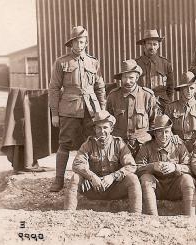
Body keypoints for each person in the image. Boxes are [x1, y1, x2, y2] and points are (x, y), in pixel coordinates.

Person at [48, 26, 106, 192]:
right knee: (65, 144)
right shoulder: (62, 62)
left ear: (86, 43)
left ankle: (90, 179)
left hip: (91, 110)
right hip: (69, 109)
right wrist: (55, 114)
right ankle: (59, 180)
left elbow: (100, 88)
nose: (79, 45)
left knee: (91, 144)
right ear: (71, 43)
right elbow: (53, 89)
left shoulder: (93, 62)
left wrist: (101, 110)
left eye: (82, 42)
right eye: (76, 42)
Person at [63, 111, 142, 213]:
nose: (102, 131)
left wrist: (113, 176)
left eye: (105, 127)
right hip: (93, 188)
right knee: (75, 178)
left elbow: (131, 166)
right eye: (99, 128)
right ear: (94, 129)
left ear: (111, 129)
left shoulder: (119, 144)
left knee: (133, 179)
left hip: (114, 188)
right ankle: (67, 215)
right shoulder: (88, 144)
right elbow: (77, 164)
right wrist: (91, 177)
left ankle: (136, 215)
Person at [135, 115, 196, 216]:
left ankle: (190, 217)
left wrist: (175, 167)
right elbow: (136, 168)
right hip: (156, 188)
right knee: (146, 178)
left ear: (171, 132)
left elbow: (191, 168)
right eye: (160, 131)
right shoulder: (146, 147)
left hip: (175, 187)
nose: (164, 135)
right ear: (154, 133)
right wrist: (152, 166)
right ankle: (152, 216)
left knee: (187, 179)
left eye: (167, 131)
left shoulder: (179, 146)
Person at [107, 59, 158, 156]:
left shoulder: (147, 96)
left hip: (142, 147)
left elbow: (154, 122)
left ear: (137, 77)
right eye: (125, 77)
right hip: (119, 147)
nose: (127, 81)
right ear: (121, 78)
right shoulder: (113, 96)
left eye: (131, 77)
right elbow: (108, 122)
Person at [165, 71, 196, 152]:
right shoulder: (171, 107)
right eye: (186, 88)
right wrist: (171, 136)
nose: (189, 91)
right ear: (181, 89)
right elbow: (165, 127)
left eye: (191, 88)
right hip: (176, 146)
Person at [135, 29, 174, 110]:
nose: (152, 47)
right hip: (141, 104)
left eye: (155, 44)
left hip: (161, 105)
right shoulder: (136, 64)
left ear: (158, 46)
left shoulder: (165, 63)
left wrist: (166, 103)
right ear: (144, 45)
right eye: (149, 44)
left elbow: (170, 87)